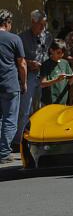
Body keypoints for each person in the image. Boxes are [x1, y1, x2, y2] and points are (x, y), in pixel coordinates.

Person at [14, 10, 53, 149]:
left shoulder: (47, 36)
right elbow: (18, 59)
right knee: (25, 109)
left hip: (44, 74)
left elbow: (52, 53)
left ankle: (44, 137)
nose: (43, 27)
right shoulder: (22, 37)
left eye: (44, 24)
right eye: (40, 24)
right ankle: (19, 141)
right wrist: (30, 63)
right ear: (32, 22)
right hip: (29, 75)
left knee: (45, 107)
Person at [0, 9, 26, 163]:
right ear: (7, 23)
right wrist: (23, 83)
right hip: (10, 83)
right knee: (10, 119)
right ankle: (3, 153)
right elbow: (22, 63)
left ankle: (3, 150)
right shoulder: (14, 39)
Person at [39, 39, 73, 106]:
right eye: (58, 52)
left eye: (63, 53)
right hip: (48, 103)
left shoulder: (65, 63)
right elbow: (42, 84)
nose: (61, 55)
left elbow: (69, 84)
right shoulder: (46, 65)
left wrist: (72, 79)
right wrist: (57, 80)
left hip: (62, 102)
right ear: (51, 51)